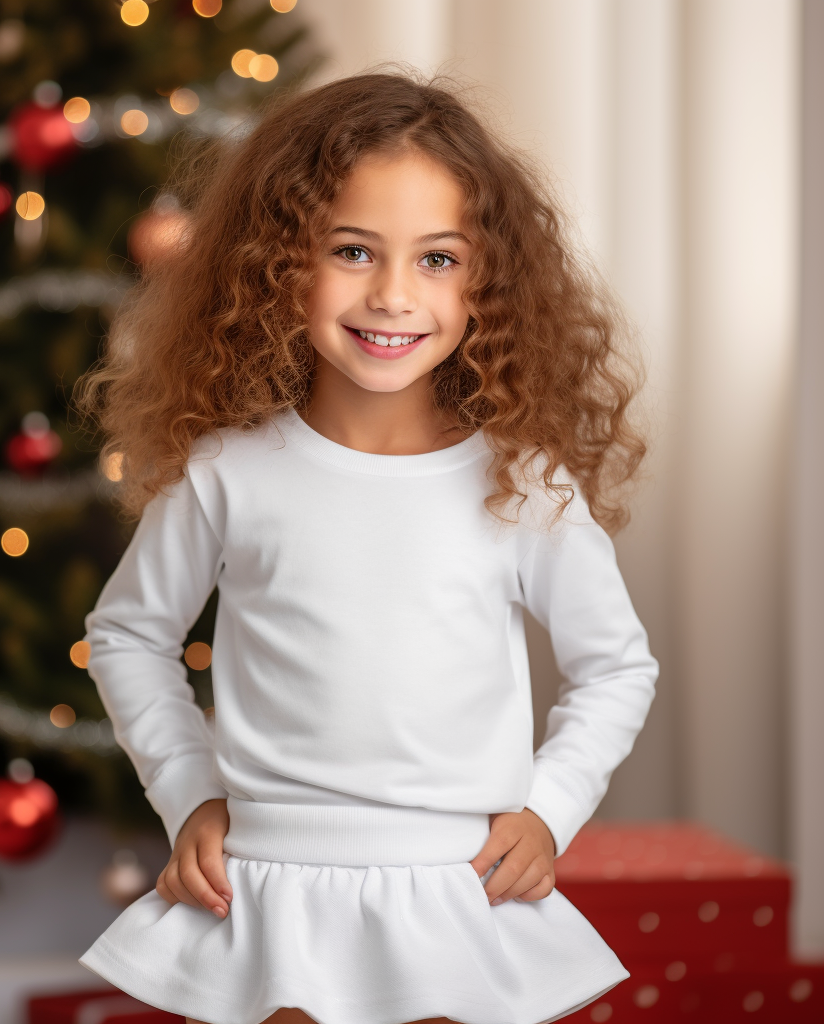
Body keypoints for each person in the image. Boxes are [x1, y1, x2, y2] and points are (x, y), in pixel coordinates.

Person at [77, 72, 658, 1024]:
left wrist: (550, 807)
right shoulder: (230, 471)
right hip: (268, 891)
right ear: (277, 264)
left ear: (489, 283)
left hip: (457, 888)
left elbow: (615, 666)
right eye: (353, 250)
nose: (393, 295)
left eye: (438, 259)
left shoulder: (523, 482)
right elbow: (127, 636)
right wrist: (189, 794)